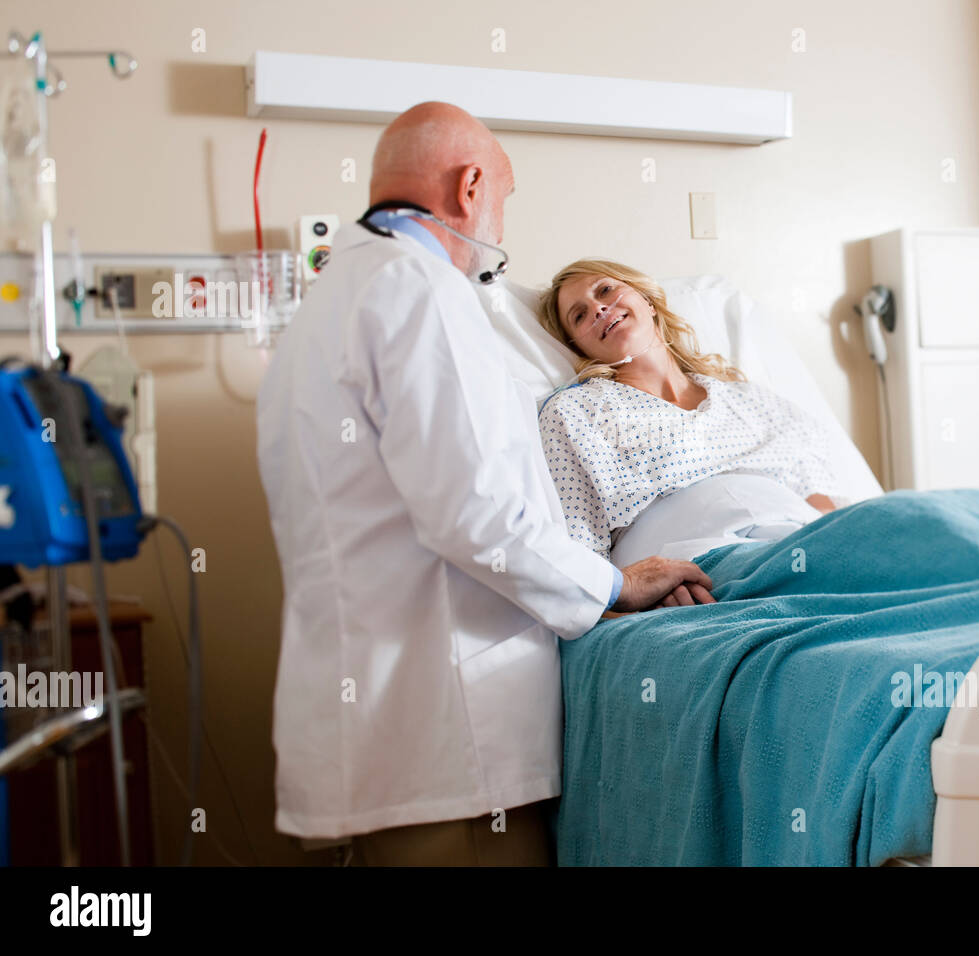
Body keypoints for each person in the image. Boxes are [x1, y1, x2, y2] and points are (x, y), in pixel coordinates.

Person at [255, 104, 714, 867]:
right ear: (470, 189)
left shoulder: (329, 302)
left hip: (369, 738)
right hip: (448, 751)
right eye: (503, 200)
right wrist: (607, 585)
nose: (500, 232)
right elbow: (476, 512)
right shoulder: (424, 291)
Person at [536, 258, 847, 577]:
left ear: (647, 301)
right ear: (580, 347)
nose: (598, 309)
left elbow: (817, 497)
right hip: (697, 572)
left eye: (605, 290)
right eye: (580, 315)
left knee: (894, 520)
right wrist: (627, 604)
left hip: (798, 548)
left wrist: (838, 548)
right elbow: (581, 548)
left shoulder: (747, 398)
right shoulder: (576, 411)